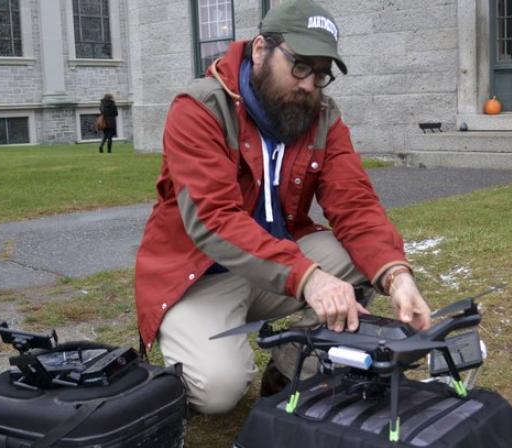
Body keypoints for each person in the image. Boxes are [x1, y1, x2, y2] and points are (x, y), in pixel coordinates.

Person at [134, 0, 432, 414]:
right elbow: (212, 219)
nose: (309, 84)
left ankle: (293, 365)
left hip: (278, 264)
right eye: (300, 66)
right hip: (202, 274)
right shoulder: (199, 108)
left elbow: (355, 202)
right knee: (217, 391)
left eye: (321, 73)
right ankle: (191, 344)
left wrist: (397, 277)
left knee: (368, 262)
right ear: (261, 49)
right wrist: (308, 278)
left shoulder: (321, 116)